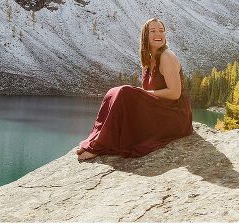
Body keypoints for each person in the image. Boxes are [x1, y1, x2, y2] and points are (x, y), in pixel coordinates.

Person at [76, 17, 193, 160]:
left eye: (161, 31)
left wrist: (143, 93)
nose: (158, 34)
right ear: (145, 36)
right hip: (160, 110)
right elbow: (146, 99)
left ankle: (99, 146)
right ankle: (97, 138)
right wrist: (140, 96)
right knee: (113, 92)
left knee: (125, 92)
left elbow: (175, 93)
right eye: (153, 31)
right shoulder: (148, 60)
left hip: (176, 116)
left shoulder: (167, 56)